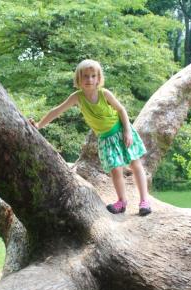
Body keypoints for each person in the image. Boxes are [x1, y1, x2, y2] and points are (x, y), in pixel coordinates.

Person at [30, 59, 151, 216]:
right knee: (115, 170)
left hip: (121, 131)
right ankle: (122, 202)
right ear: (79, 79)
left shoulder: (104, 94)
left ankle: (144, 201)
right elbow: (57, 110)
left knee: (135, 164)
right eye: (85, 76)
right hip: (106, 138)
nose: (89, 80)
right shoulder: (77, 97)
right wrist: (39, 125)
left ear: (98, 78)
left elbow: (121, 110)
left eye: (93, 76)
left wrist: (127, 131)